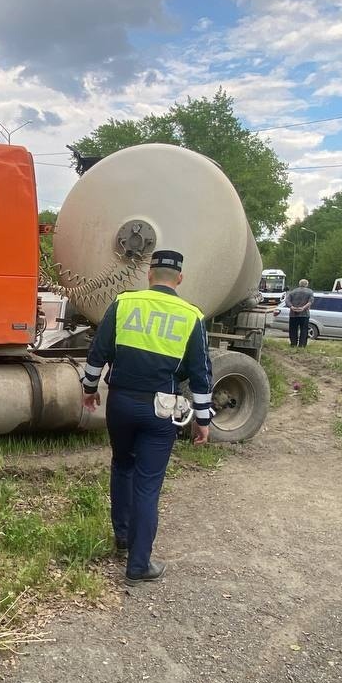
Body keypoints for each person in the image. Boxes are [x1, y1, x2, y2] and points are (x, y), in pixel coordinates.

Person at [80, 250, 212, 585]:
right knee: (148, 484)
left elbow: (99, 351)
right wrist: (203, 419)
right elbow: (200, 373)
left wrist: (89, 388)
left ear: (149, 275)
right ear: (179, 279)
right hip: (161, 409)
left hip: (121, 402)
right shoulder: (191, 316)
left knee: (122, 464)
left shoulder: (124, 303)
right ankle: (139, 564)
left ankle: (122, 537)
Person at [284, 279, 314, 347]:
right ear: (306, 284)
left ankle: (293, 344)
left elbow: (287, 301)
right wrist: (303, 308)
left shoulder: (293, 291)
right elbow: (310, 302)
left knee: (293, 329)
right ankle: (302, 345)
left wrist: (292, 307)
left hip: (293, 314)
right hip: (304, 314)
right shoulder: (310, 292)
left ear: (299, 284)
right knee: (304, 330)